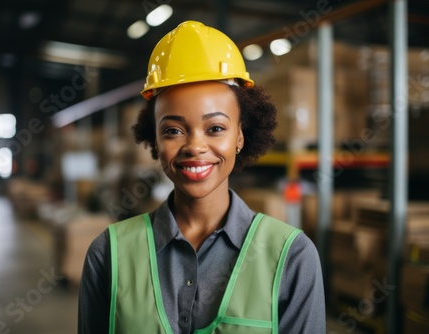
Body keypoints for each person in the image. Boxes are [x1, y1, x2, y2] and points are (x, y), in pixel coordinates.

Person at [78, 20, 325, 334]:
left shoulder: (292, 257)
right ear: (154, 140)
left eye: (216, 128)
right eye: (173, 130)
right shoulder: (108, 255)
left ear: (240, 136)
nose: (194, 146)